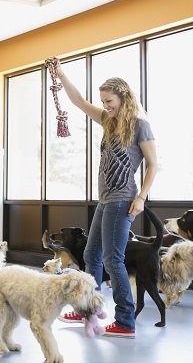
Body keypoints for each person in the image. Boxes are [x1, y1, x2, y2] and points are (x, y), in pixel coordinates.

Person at [52, 60, 157, 339]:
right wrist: (61, 74)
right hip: (105, 200)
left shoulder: (140, 126)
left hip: (123, 200)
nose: (106, 105)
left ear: (124, 98)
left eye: (109, 100)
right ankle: (88, 309)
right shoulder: (108, 121)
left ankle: (125, 321)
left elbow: (153, 164)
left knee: (113, 260)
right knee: (91, 255)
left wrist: (142, 197)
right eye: (103, 101)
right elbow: (78, 101)